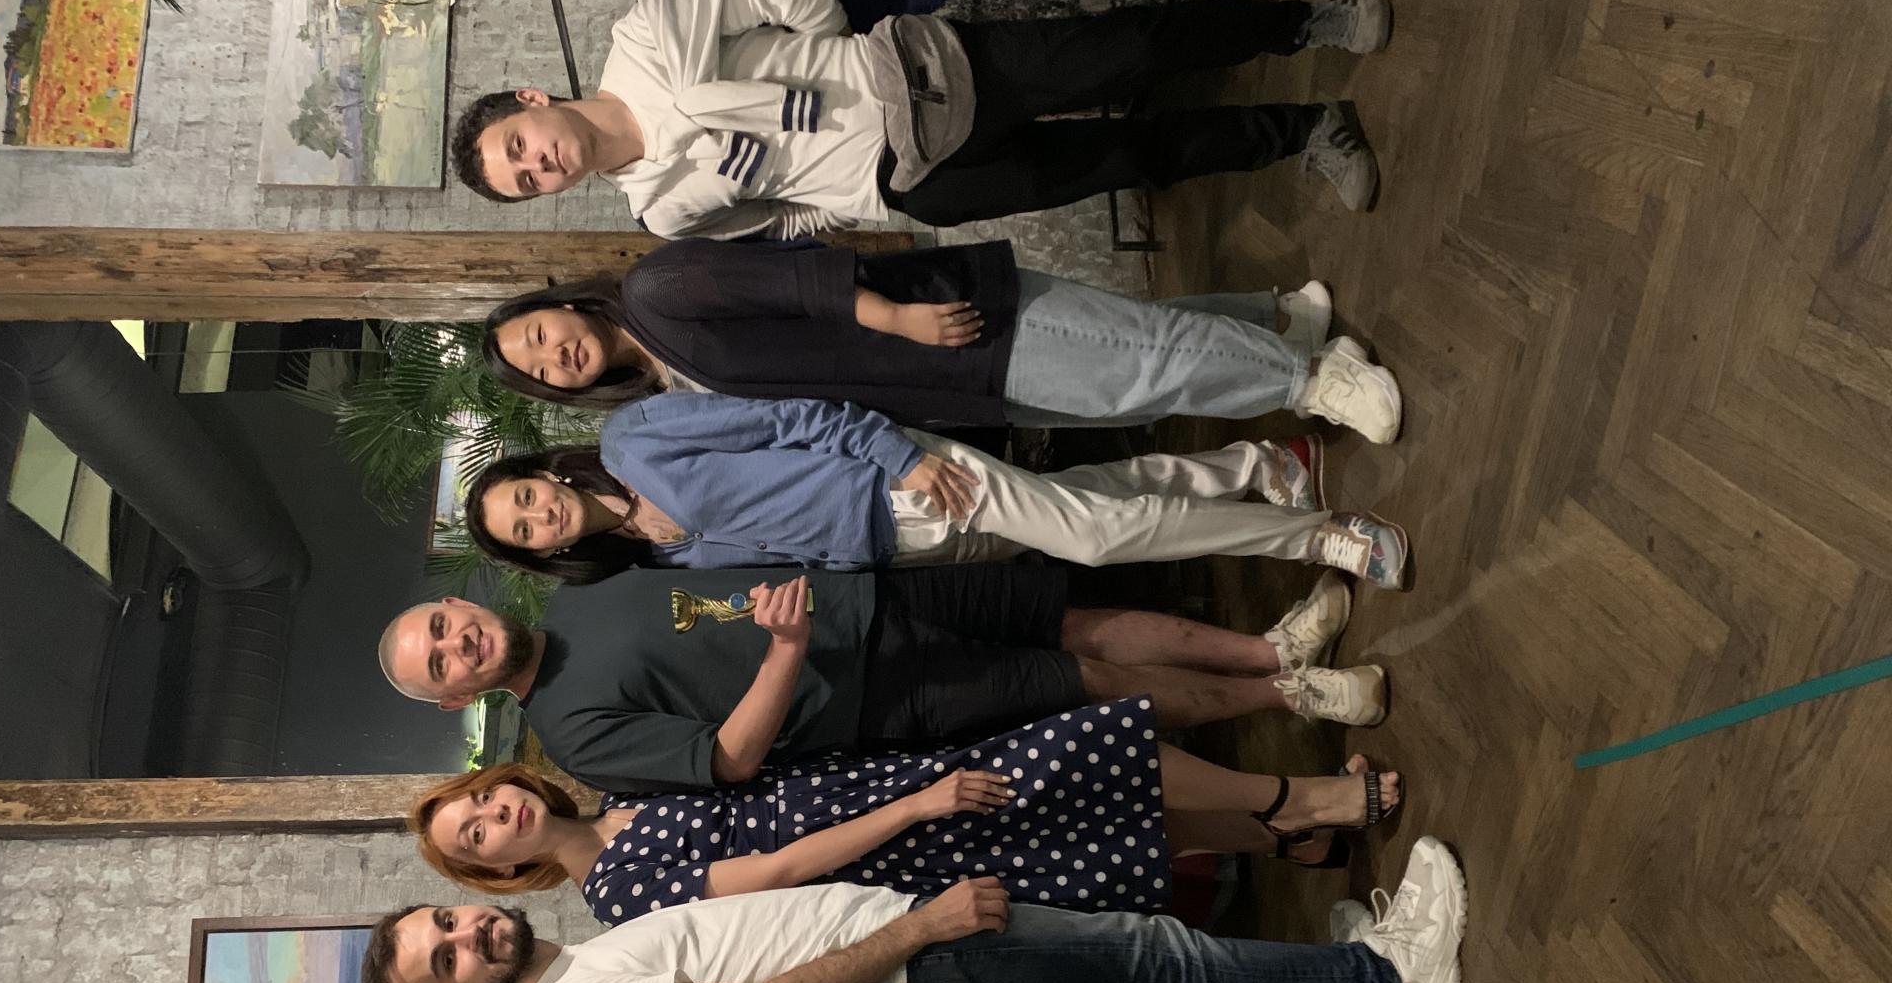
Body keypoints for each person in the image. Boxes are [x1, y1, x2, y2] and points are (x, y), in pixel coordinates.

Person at [449, 0, 1391, 235]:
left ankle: (1308, 24)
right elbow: (780, 221)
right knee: (1124, 159)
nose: (540, 165)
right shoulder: (660, 210)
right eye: (527, 182)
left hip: (920, 76)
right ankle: (1308, 131)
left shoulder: (645, 35)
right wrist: (850, 200)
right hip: (915, 185)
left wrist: (835, 59)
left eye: (519, 147)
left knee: (1128, 49)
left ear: (531, 101)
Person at [355, 835, 1467, 983]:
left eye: (444, 923)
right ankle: (1390, 972)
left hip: (905, 959)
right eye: (445, 963)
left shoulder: (574, 972)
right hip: (911, 964)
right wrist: (918, 928)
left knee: (1139, 975)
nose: (466, 935)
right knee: (1153, 954)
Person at [376, 563, 1390, 794]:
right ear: (457, 698)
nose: (458, 644)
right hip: (874, 697)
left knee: (1067, 616)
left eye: (443, 626)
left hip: (868, 594)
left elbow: (703, 583)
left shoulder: (579, 592)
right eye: (441, 665)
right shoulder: (573, 738)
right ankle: (1290, 696)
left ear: (458, 602)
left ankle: (1270, 649)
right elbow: (727, 760)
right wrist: (786, 651)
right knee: (1084, 680)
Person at [407, 693, 1401, 911]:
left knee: (1101, 804)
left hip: (877, 790)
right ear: (503, 869)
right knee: (1098, 752)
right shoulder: (616, 890)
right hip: (893, 847)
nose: (495, 816)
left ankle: (1290, 831)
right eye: (478, 837)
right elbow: (776, 871)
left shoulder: (616, 796)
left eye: (479, 800)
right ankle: (1317, 799)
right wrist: (918, 809)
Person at [480, 238, 1403, 443]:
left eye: (539, 334)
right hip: (940, 383)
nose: (554, 356)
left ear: (561, 304)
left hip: (937, 327)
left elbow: (788, 278)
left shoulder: (652, 292)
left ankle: (1314, 379)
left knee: (1129, 367)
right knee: (1126, 363)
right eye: (540, 369)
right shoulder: (661, 377)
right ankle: (1276, 322)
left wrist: (896, 318)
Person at [456, 400, 1410, 580]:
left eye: (524, 498)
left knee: (1095, 539)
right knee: (1091, 501)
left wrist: (897, 455)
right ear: (548, 551)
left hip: (900, 479)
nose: (539, 515)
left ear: (543, 474)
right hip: (900, 549)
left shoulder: (633, 439)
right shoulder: (655, 563)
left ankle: (1321, 537)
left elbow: (788, 416)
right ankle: (1256, 467)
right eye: (525, 532)